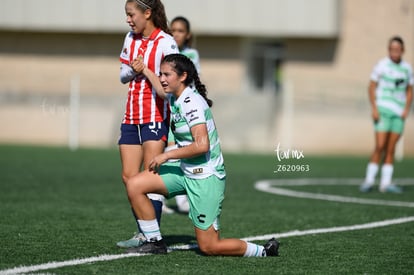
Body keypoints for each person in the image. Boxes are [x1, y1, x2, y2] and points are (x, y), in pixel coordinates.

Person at [124, 53, 280, 256]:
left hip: (206, 177)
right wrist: (144, 70)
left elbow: (202, 145)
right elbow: (160, 91)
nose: (162, 78)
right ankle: (155, 242)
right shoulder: (174, 96)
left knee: (209, 246)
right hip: (184, 171)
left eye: (167, 74)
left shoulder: (192, 102)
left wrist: (166, 155)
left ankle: (264, 251)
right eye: (160, 73)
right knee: (135, 184)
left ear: (182, 76)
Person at [116, 0, 179, 248]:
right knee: (129, 178)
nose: (128, 20)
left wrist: (148, 71)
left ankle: (151, 236)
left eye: (131, 15)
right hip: (131, 116)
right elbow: (122, 75)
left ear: (147, 13)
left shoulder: (166, 42)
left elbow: (170, 88)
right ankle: (145, 231)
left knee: (149, 176)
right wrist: (134, 69)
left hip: (155, 116)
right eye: (127, 15)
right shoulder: (130, 39)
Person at [360, 36, 413, 193]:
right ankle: (369, 181)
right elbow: (371, 87)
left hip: (398, 114)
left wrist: (406, 109)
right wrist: (374, 108)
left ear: (402, 50)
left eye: (397, 49)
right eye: (391, 49)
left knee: (391, 149)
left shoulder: (407, 68)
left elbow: (410, 90)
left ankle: (386, 183)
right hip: (383, 110)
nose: (394, 52)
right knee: (380, 146)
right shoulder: (381, 65)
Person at [162, 16, 201, 214]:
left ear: (188, 35)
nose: (176, 34)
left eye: (180, 31)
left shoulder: (191, 54)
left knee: (181, 151)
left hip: (183, 112)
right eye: (173, 30)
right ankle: (162, 198)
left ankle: (182, 199)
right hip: (167, 111)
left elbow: (190, 78)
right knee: (166, 153)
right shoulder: (166, 52)